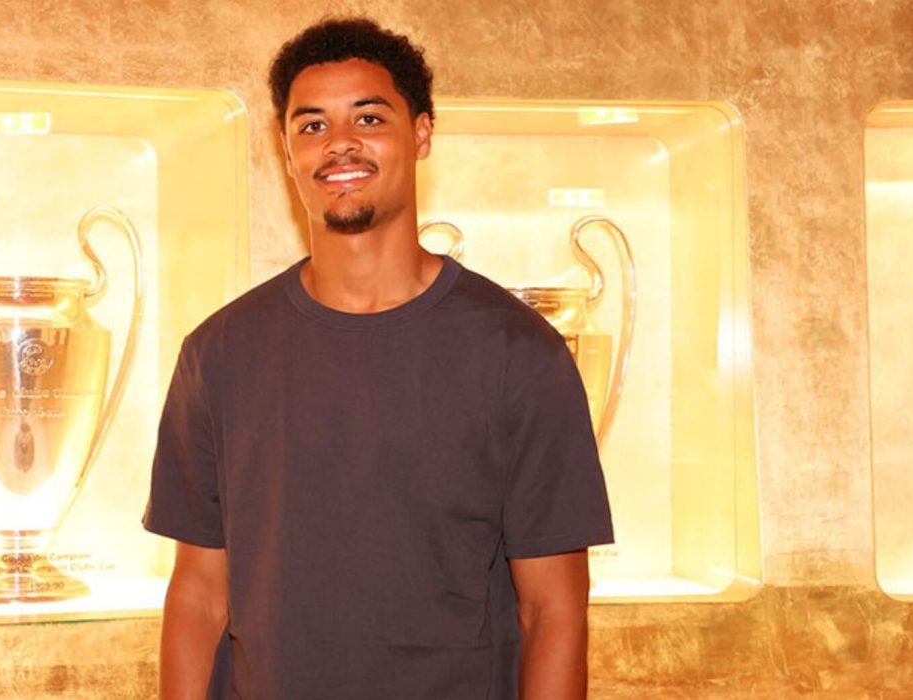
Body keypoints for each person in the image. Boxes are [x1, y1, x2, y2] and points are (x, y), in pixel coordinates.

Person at [143, 17, 613, 700]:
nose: (340, 143)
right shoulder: (219, 354)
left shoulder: (520, 354)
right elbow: (199, 595)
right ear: (286, 151)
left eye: (368, 118)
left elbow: (554, 609)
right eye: (312, 125)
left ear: (421, 133)